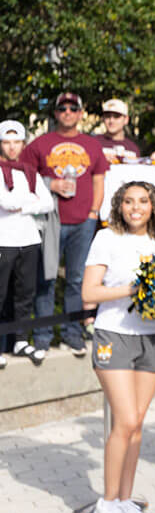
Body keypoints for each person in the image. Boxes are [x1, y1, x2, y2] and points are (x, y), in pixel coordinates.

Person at [80, 181, 155, 513]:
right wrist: (134, 289)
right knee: (125, 421)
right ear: (119, 205)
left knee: (136, 425)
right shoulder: (107, 238)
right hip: (114, 335)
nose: (136, 207)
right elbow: (89, 292)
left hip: (152, 336)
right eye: (129, 201)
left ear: (154, 205)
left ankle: (124, 500)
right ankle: (106, 502)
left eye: (143, 201)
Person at [19, 92, 108, 358]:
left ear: (81, 113)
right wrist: (51, 184)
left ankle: (73, 333)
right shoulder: (40, 144)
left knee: (77, 280)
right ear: (55, 113)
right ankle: (43, 336)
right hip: (50, 222)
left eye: (73, 108)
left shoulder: (91, 145)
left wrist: (94, 213)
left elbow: (98, 181)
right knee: (45, 280)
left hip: (83, 221)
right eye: (62, 109)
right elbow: (24, 179)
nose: (68, 113)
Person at [0, 121, 53, 367]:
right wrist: (29, 202)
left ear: (23, 143)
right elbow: (5, 202)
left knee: (25, 294)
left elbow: (48, 204)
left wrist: (25, 204)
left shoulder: (30, 171)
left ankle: (21, 340)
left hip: (29, 240)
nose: (12, 147)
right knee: (1, 295)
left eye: (16, 142)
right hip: (4, 241)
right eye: (6, 142)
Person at [95, 99, 141, 165]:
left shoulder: (133, 149)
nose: (111, 121)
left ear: (126, 119)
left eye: (116, 117)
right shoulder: (94, 143)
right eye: (108, 116)